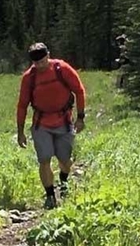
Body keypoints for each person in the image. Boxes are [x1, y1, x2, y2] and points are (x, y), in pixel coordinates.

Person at [16, 42, 87, 209]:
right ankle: (50, 196)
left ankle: (63, 179)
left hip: (64, 121)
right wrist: (20, 131)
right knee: (44, 159)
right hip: (41, 124)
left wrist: (81, 117)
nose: (40, 65)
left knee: (65, 160)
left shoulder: (61, 69)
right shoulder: (29, 78)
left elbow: (79, 90)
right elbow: (22, 105)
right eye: (36, 63)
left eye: (42, 61)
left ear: (48, 55)